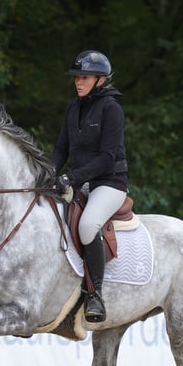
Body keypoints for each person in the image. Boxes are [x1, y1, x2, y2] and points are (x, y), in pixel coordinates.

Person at [51, 50, 129, 323]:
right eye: (76, 77)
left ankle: (95, 294)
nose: (78, 82)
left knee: (86, 225)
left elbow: (107, 158)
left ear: (101, 80)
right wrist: (49, 174)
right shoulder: (74, 107)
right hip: (81, 181)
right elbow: (61, 148)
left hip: (109, 183)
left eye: (84, 77)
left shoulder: (112, 109)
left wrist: (72, 178)